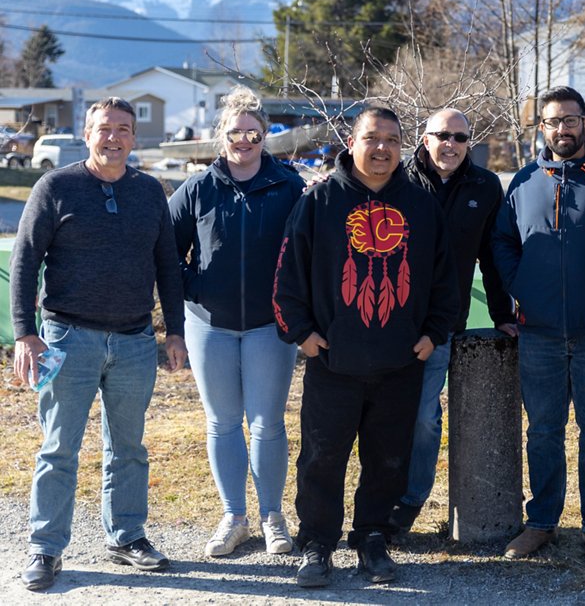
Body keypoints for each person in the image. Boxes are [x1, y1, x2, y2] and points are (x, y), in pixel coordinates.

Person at [272, 105, 459, 588]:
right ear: (351, 142)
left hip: (401, 361)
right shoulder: (319, 203)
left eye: (392, 140)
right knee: (321, 457)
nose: (382, 149)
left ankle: (373, 538)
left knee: (388, 458)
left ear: (404, 147)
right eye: (372, 138)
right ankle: (316, 544)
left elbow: (445, 279)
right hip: (333, 361)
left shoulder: (421, 205)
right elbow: (287, 277)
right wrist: (303, 336)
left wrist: (431, 335)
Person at [12, 97, 186, 592]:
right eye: (105, 129)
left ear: (135, 138)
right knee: (58, 447)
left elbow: (168, 267)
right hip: (66, 338)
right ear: (86, 134)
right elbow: (25, 263)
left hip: (134, 341)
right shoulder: (56, 186)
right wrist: (26, 334)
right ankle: (45, 548)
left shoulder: (150, 191)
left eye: (124, 130)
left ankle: (127, 535)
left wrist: (173, 330)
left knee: (129, 447)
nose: (114, 138)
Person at [169, 86, 306, 558]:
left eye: (253, 132)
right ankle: (234, 516)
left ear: (265, 136)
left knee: (267, 424)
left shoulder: (288, 186)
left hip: (271, 326)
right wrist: (195, 289)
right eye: (235, 132)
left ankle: (272, 516)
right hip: (210, 325)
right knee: (223, 422)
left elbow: (306, 254)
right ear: (221, 136)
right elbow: (167, 251)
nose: (243, 140)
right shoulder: (198, 189)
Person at [493, 86, 585, 563]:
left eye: (571, 120)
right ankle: (542, 522)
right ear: (542, 128)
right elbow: (503, 241)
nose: (562, 129)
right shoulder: (525, 181)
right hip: (540, 330)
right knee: (543, 431)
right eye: (552, 121)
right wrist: (522, 285)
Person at [386, 107, 515, 540]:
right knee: (384, 415)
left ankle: (409, 499)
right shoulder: (397, 180)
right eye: (442, 135)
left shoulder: (485, 187)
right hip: (387, 320)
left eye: (460, 138)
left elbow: (492, 257)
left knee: (424, 414)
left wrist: (503, 315)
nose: (451, 145)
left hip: (442, 323)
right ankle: (376, 500)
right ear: (425, 139)